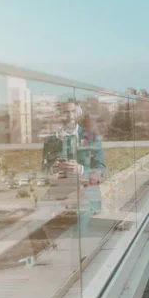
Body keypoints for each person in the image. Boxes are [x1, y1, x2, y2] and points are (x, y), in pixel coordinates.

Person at [41, 100, 106, 236]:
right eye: (66, 112)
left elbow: (102, 173)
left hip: (85, 193)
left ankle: (80, 255)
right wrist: (54, 169)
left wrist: (81, 170)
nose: (70, 115)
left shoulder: (92, 138)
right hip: (60, 193)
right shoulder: (51, 140)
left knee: (79, 219)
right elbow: (44, 172)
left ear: (78, 114)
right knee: (39, 217)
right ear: (59, 115)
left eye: (73, 111)